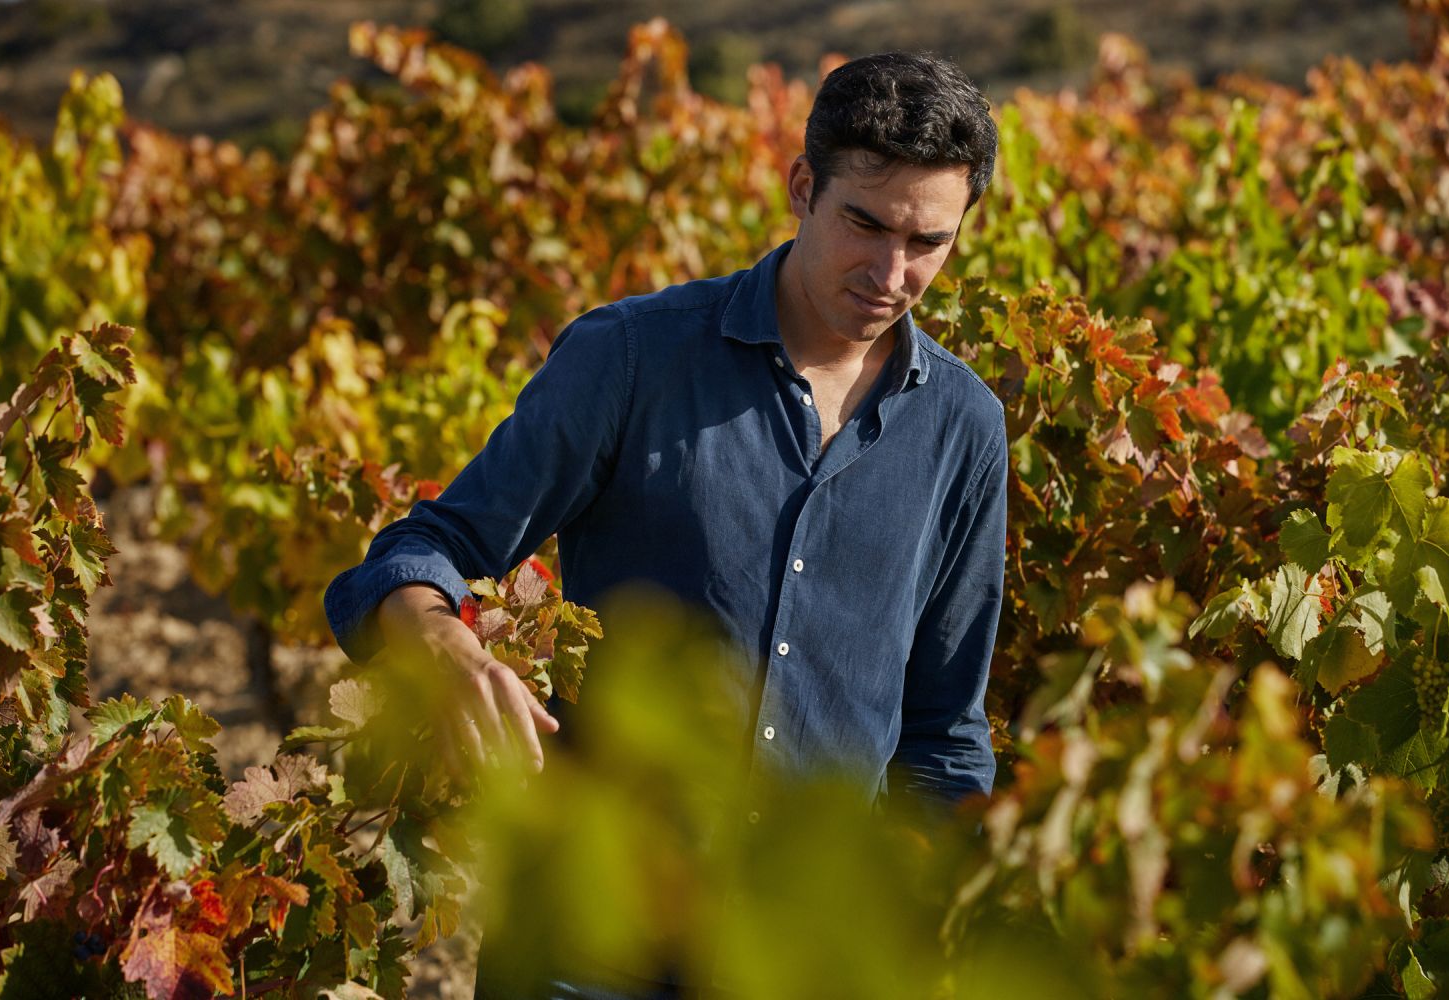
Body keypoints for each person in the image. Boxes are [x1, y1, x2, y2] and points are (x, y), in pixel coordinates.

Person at [325, 48, 1004, 999]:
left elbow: (943, 731)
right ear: (802, 187)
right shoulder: (631, 359)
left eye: (928, 241)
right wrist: (440, 640)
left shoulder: (964, 429)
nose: (892, 271)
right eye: (865, 223)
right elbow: (422, 549)